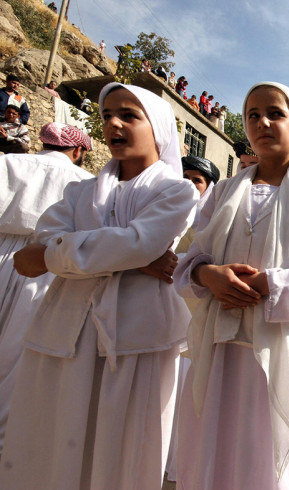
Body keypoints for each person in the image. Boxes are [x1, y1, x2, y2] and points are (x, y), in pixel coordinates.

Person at [0, 83, 198, 488]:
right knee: (49, 443)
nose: (113, 123)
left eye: (129, 114)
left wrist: (58, 254)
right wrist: (131, 259)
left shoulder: (176, 191)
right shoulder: (79, 190)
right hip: (63, 330)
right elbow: (34, 252)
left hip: (135, 339)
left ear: (157, 127)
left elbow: (141, 241)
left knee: (119, 454)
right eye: (107, 114)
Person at [173, 82, 289, 488]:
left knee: (265, 458)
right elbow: (192, 256)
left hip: (278, 347)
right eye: (252, 115)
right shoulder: (223, 192)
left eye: (275, 113)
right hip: (219, 344)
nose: (262, 122)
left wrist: (271, 283)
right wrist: (206, 275)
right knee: (214, 448)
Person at [0, 123, 92, 452]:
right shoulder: (84, 184)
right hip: (42, 265)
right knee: (18, 355)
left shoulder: (8, 163)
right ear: (79, 151)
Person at [165, 154, 220, 484]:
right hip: (159, 317)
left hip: (194, 322)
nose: (189, 184)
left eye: (197, 180)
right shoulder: (163, 211)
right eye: (184, 176)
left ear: (208, 187)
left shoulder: (211, 221)